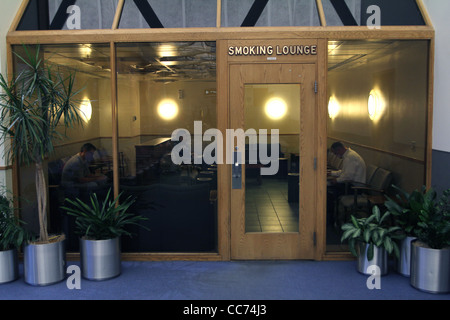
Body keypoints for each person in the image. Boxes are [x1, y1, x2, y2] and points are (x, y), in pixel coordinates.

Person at [327, 142, 366, 227]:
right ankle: (333, 216)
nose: (336, 155)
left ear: (339, 150)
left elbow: (348, 176)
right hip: (350, 184)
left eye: (335, 153)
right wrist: (332, 173)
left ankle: (331, 220)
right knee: (329, 188)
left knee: (329, 193)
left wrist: (337, 180)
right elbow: (345, 172)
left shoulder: (350, 158)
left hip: (355, 188)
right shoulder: (349, 155)